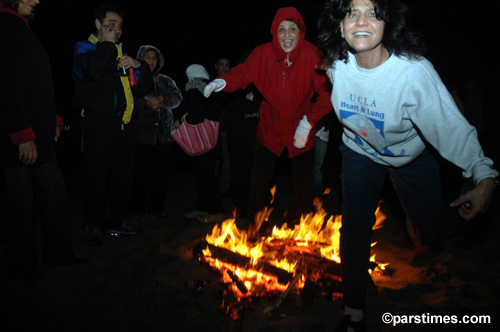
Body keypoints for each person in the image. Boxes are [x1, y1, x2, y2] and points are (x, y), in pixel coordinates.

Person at [316, 0, 499, 330]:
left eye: (373, 13)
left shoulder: (413, 72)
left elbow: (450, 126)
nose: (361, 21)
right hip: (359, 154)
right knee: (354, 227)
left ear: (389, 23)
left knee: (429, 231)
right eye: (352, 13)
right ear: (340, 25)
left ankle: (425, 235)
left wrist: (484, 174)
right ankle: (354, 313)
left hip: (411, 159)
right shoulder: (336, 63)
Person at [204, 7, 332, 233]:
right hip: (270, 125)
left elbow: (327, 93)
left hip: (300, 126)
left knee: (303, 182)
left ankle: (297, 227)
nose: (287, 35)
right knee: (258, 180)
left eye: (292, 29)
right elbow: (242, 74)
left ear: (300, 31)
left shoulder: (313, 54)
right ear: (275, 32)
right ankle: (256, 226)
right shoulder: (262, 54)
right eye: (282, 29)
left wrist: (309, 122)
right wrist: (223, 82)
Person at [0, 0, 87, 279]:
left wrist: (56, 118)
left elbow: (38, 83)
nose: (36, 0)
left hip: (42, 135)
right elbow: (6, 85)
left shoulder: (22, 28)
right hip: (18, 138)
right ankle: (21, 268)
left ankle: (59, 255)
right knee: (21, 206)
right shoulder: (3, 27)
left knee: (54, 195)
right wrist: (21, 134)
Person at [72, 3, 153, 245]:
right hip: (98, 127)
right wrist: (106, 43)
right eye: (110, 25)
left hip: (124, 128)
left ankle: (117, 222)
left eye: (119, 26)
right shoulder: (85, 48)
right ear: (98, 24)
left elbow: (142, 90)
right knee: (96, 178)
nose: (116, 30)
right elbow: (94, 70)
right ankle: (94, 223)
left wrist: (141, 67)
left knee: (122, 179)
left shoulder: (121, 54)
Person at [127, 45, 182, 219]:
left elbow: (177, 97)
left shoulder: (165, 80)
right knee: (139, 175)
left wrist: (163, 99)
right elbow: (128, 98)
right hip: (141, 136)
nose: (151, 61)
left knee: (161, 176)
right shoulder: (132, 76)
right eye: (148, 57)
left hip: (164, 136)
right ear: (140, 59)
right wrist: (147, 102)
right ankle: (136, 208)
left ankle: (156, 208)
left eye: (154, 58)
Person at [175, 64, 224, 223]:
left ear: (191, 77)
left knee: (206, 176)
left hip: (200, 141)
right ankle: (202, 207)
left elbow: (197, 115)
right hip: (209, 140)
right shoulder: (207, 89)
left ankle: (216, 210)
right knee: (203, 175)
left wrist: (181, 120)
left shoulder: (194, 91)